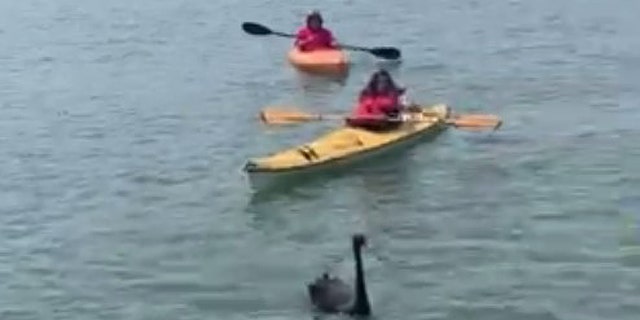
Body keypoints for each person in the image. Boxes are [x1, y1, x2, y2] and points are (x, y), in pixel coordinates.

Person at [346, 70, 419, 131]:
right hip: (376, 121)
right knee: (403, 113)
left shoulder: (366, 93)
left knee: (403, 110)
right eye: (381, 83)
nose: (382, 85)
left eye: (383, 83)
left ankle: (412, 113)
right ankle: (414, 115)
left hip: (364, 119)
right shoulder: (389, 94)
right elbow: (393, 107)